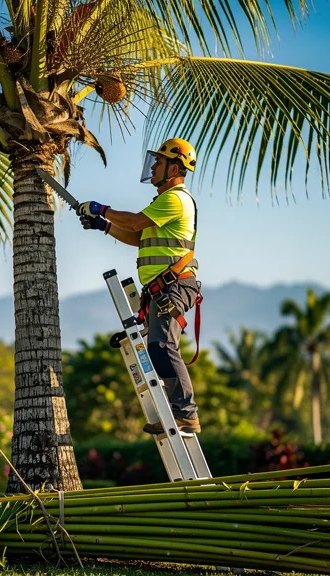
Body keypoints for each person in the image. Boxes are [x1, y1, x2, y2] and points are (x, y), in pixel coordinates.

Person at [76, 138, 202, 434]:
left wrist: (102, 209)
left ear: (174, 167)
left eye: (159, 162)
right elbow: (138, 237)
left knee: (163, 346)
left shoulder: (176, 198)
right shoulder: (162, 202)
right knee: (158, 348)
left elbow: (133, 223)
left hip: (175, 286)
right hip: (164, 288)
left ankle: (186, 412)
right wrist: (105, 226)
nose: (154, 166)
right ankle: (179, 411)